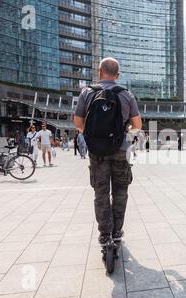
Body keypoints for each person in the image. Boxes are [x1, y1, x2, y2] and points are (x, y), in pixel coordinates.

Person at [73, 57, 142, 249]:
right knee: (120, 192)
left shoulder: (87, 93)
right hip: (120, 151)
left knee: (100, 192)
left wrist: (93, 134)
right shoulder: (126, 95)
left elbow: (78, 123)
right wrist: (124, 135)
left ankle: (104, 234)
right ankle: (117, 231)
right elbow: (137, 125)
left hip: (97, 153)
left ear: (99, 71)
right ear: (117, 75)